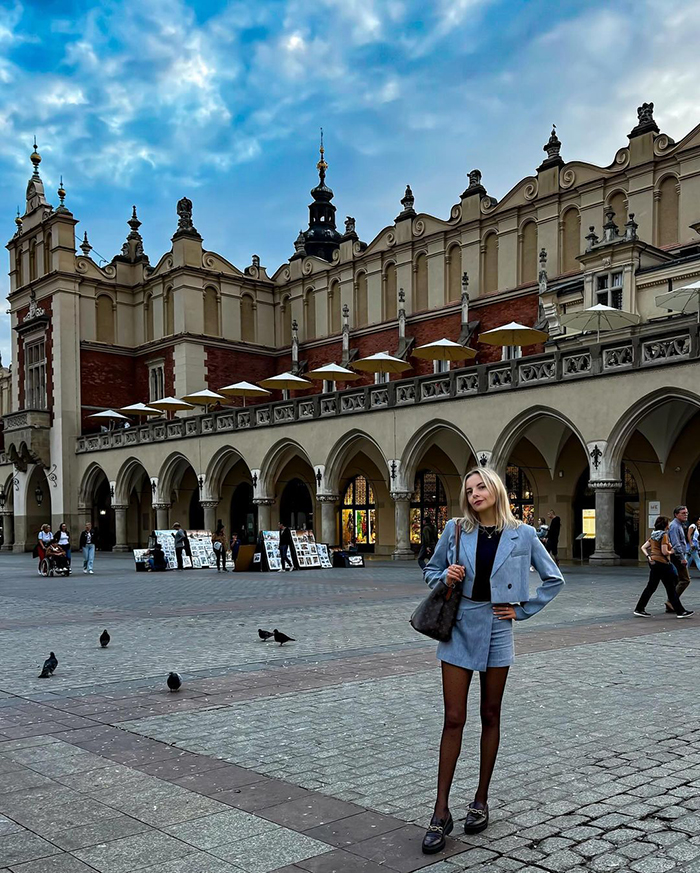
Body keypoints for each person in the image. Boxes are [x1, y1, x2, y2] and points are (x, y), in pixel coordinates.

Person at [421, 467, 564, 854]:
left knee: (490, 714)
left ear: (495, 488)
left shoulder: (524, 533)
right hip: (459, 625)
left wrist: (522, 610)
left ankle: (480, 799)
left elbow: (554, 578)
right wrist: (445, 577)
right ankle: (440, 811)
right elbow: (431, 570)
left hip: (499, 628)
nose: (474, 494)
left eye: (480, 486)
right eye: (468, 489)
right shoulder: (456, 530)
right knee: (453, 718)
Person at [635, 516, 693, 619]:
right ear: (665, 525)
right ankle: (680, 611)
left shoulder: (653, 534)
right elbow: (664, 551)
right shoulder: (664, 535)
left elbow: (643, 547)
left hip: (654, 562)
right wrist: (672, 551)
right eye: (669, 523)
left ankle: (639, 608)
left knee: (651, 587)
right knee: (670, 588)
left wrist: (648, 556)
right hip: (662, 563)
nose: (670, 525)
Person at [666, 505, 690, 609]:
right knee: (685, 580)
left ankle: (672, 603)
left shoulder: (679, 525)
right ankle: (671, 601)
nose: (686, 515)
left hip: (677, 556)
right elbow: (676, 544)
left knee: (678, 580)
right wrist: (682, 558)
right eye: (683, 513)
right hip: (677, 556)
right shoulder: (675, 526)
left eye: (686, 513)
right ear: (676, 514)